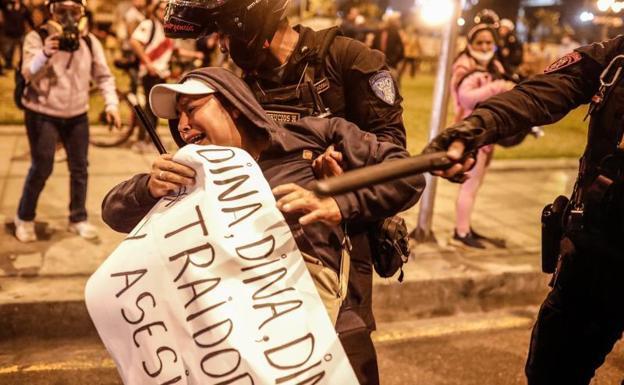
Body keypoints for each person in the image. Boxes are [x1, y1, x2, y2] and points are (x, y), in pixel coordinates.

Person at [101, 67, 426, 384]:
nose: (183, 126)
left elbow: (408, 175)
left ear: (234, 104)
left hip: (335, 329)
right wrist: (147, 187)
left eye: (191, 109)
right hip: (237, 350)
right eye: (177, 119)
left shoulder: (318, 136)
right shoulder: (189, 175)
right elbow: (113, 211)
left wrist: (338, 205)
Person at [162, 2, 410, 383]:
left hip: (340, 243)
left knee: (346, 352)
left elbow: (397, 159)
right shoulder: (241, 84)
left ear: (251, 22)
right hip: (265, 255)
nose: (223, 47)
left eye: (224, 34)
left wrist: (343, 180)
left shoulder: (349, 60)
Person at [424, 34, 624, 385]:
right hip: (596, 257)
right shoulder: (616, 58)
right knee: (551, 370)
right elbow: (539, 92)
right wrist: (474, 128)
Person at [14, 0, 121, 242]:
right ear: (51, 12)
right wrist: (45, 53)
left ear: (83, 14)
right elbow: (27, 72)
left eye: (75, 12)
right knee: (42, 167)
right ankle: (25, 216)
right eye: (62, 11)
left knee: (80, 168)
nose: (68, 18)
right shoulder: (36, 38)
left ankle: (78, 218)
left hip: (76, 114)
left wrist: (111, 105)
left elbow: (104, 76)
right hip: (42, 112)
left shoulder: (90, 42)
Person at [449, 23, 514, 248]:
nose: (485, 46)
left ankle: (464, 225)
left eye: (489, 42)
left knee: (476, 184)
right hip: (471, 132)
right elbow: (466, 98)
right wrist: (497, 87)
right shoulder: (463, 65)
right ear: (470, 44)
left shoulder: (494, 64)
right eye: (480, 42)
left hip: (490, 132)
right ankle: (461, 231)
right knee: (469, 183)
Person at [129, 0, 173, 152]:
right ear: (154, 10)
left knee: (154, 109)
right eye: (160, 9)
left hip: (161, 72)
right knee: (149, 109)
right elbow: (134, 42)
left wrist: (193, 54)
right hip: (150, 73)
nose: (164, 12)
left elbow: (169, 50)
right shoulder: (149, 24)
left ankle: (150, 140)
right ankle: (143, 141)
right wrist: (148, 63)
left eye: (166, 9)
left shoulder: (166, 28)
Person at [0, 0, 34, 71]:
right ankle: (8, 64)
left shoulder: (23, 7)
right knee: (7, 51)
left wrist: (34, 27)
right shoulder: (6, 4)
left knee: (23, 49)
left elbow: (29, 19)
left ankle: (21, 64)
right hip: (8, 33)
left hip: (20, 33)